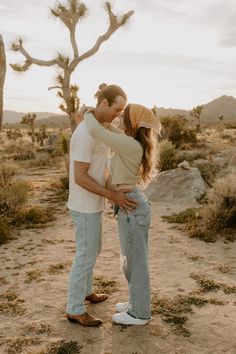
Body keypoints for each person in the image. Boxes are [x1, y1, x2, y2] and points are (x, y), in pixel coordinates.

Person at [83, 100, 161, 325]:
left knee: (136, 261)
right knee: (130, 260)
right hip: (129, 204)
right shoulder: (129, 142)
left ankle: (140, 313)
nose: (119, 118)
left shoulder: (129, 145)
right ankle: (136, 302)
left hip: (131, 205)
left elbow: (98, 130)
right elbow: (108, 129)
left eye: (123, 115)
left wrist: (89, 114)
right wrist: (101, 117)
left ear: (132, 123)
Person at [66, 84, 137, 327]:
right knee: (84, 256)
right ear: (104, 103)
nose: (118, 115)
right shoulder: (86, 134)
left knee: (92, 252)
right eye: (117, 110)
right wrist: (112, 195)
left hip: (93, 203)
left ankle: (85, 292)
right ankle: (74, 309)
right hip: (84, 205)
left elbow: (100, 168)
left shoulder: (99, 130)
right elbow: (80, 176)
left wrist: (113, 188)